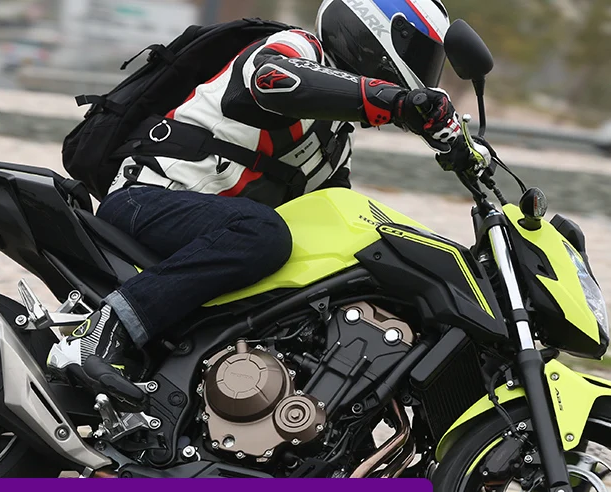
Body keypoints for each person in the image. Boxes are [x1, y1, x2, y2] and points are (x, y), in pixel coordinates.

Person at [47, 0, 465, 410]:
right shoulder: (296, 48)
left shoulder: (335, 146)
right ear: (377, 31)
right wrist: (395, 101)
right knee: (263, 234)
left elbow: (330, 223)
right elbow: (272, 80)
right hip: (146, 198)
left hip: (205, 235)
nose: (424, 72)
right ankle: (98, 335)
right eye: (422, 54)